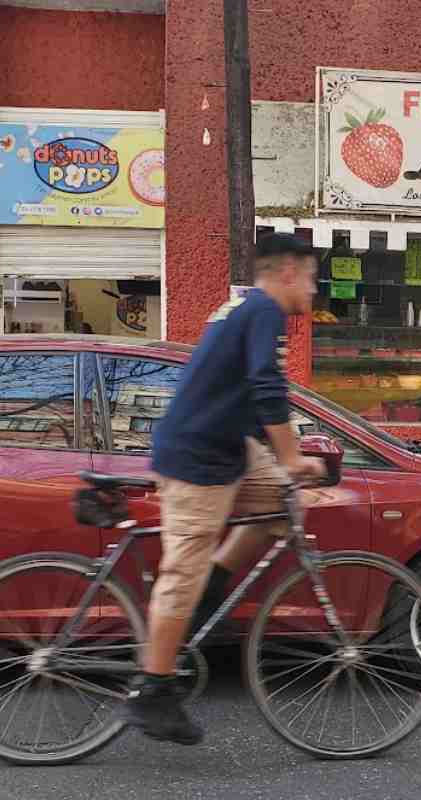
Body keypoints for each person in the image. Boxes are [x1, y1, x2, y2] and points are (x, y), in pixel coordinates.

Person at [122, 232, 326, 746]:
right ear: (288, 273)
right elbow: (265, 384)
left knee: (285, 502)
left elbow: (247, 390)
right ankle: (154, 689)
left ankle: (213, 584)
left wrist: (286, 462)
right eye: (312, 276)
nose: (315, 289)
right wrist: (290, 456)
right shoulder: (263, 311)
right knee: (180, 572)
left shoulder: (247, 307)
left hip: (228, 446)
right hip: (196, 455)